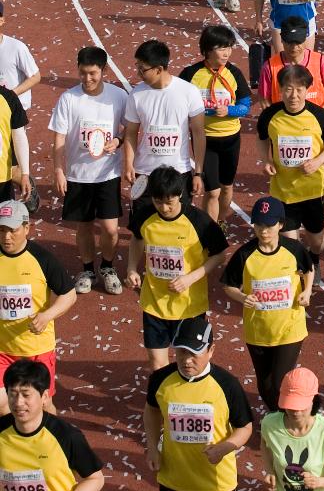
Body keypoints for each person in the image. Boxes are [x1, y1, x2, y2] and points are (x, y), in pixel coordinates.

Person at [143, 317, 253, 491]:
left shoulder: (227, 385)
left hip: (217, 483)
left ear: (211, 350)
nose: (186, 359)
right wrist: (151, 445)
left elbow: (245, 427)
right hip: (175, 479)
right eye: (180, 352)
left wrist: (226, 447)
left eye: (194, 353)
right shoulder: (161, 379)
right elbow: (150, 411)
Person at [0, 358, 104, 491]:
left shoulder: (66, 436)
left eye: (26, 395)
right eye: (13, 394)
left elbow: (95, 479)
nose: (19, 402)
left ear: (45, 396)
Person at [126, 166, 228, 370]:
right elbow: (137, 239)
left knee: (190, 363)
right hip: (154, 303)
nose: (164, 208)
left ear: (180, 195)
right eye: (158, 202)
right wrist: (131, 268)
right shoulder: (145, 216)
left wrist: (190, 278)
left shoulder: (199, 221)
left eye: (169, 202)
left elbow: (220, 255)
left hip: (190, 307)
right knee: (157, 364)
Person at [222, 195, 314, 411]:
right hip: (259, 331)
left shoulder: (293, 249)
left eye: (270, 225)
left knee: (279, 382)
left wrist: (307, 291)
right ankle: (277, 414)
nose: (264, 230)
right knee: (265, 386)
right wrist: (243, 297)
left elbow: (308, 269)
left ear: (280, 224)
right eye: (259, 225)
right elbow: (228, 285)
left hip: (290, 329)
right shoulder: (245, 254)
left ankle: (283, 421)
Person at [49, 45, 126, 295]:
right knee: (83, 226)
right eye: (82, 73)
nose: (87, 79)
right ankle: (87, 269)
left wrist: (118, 141)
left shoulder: (118, 97)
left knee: (111, 228)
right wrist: (59, 171)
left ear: (103, 70)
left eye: (92, 73)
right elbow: (59, 139)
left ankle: (107, 266)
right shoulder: (69, 98)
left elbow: (130, 129)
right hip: (78, 175)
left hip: (107, 174)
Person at [256, 64, 324, 279]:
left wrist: (318, 160)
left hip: (313, 190)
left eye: (299, 89)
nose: (293, 95)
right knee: (290, 242)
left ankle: (314, 259)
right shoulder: (269, 115)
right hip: (283, 192)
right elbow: (262, 139)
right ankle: (299, 273)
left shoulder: (320, 116)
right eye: (288, 89)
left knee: (316, 240)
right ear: (281, 90)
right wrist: (266, 160)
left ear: (307, 90)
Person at [0, 200, 77, 416]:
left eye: (12, 230)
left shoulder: (42, 259)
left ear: (26, 228)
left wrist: (47, 315)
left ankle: (54, 442)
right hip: (3, 350)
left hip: (36, 350)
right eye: (1, 230)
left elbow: (69, 294)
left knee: (42, 406)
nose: (6, 237)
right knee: (3, 405)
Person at [179, 25, 251, 225]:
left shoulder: (234, 73)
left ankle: (221, 222)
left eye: (229, 47)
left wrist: (230, 110)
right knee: (213, 191)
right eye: (221, 48)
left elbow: (245, 106)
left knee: (226, 187)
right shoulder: (191, 74)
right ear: (207, 49)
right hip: (206, 140)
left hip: (231, 139)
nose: (226, 52)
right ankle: (210, 231)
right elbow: (177, 101)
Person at [123, 39, 207, 200]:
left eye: (142, 69)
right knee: (144, 223)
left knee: (178, 223)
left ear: (159, 69)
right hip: (145, 173)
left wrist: (198, 172)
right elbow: (131, 133)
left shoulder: (189, 92)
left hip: (178, 173)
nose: (138, 74)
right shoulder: (136, 94)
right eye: (137, 68)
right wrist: (128, 164)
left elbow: (198, 133)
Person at [257, 17, 324, 115]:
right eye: (289, 42)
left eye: (298, 42)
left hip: (317, 123)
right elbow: (264, 98)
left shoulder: (320, 61)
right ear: (282, 40)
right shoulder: (269, 67)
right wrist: (273, 118)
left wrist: (323, 113)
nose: (294, 47)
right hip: (286, 123)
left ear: (305, 39)